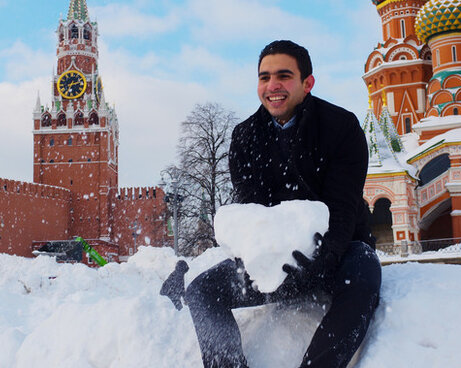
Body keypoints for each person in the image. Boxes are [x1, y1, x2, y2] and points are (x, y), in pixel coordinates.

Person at [161, 40, 381, 368]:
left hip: (339, 251)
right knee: (202, 291)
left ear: (307, 83)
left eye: (284, 76)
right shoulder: (246, 136)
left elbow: (343, 206)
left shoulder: (341, 127)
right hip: (278, 260)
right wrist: (263, 261)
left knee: (362, 278)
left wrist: (321, 262)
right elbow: (253, 214)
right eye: (264, 77)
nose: (272, 85)